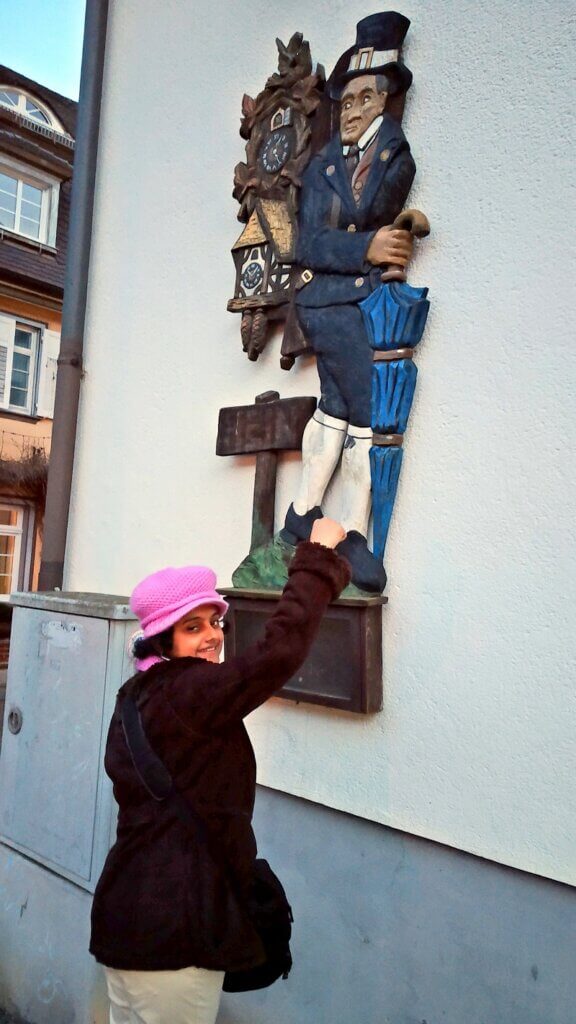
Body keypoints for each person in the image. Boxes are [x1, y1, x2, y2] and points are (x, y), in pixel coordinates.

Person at [90, 518, 350, 1024]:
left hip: (128, 924)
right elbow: (278, 653)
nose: (213, 637)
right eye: (194, 627)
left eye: (216, 622)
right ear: (162, 640)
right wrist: (317, 557)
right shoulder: (188, 693)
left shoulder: (138, 696)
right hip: (173, 936)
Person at [283, 12, 416, 594]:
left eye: (367, 97)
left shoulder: (392, 155)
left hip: (360, 298)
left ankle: (299, 518)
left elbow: (382, 210)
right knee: (366, 408)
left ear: (386, 102)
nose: (353, 109)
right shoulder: (320, 168)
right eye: (347, 100)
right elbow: (308, 243)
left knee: (335, 407)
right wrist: (370, 246)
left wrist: (401, 228)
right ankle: (356, 534)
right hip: (325, 299)